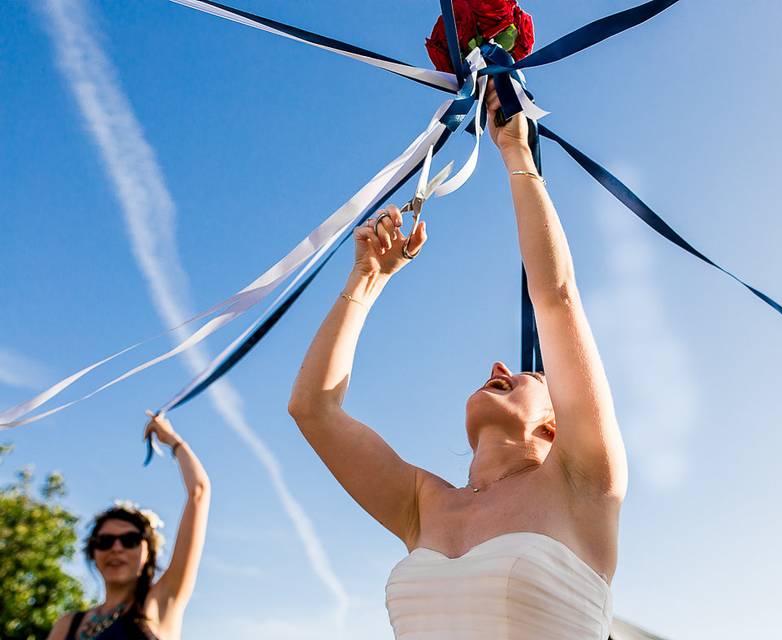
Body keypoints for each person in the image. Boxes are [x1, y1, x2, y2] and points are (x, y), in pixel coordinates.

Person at [288, 81, 628, 639]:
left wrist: (516, 152)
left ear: (557, 418)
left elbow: (556, 297)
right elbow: (312, 409)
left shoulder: (584, 480)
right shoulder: (422, 503)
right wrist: (366, 279)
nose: (501, 367)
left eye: (529, 374)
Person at [47, 414, 210, 640]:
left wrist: (173, 440)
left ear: (148, 551)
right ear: (93, 553)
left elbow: (198, 492)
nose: (116, 548)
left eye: (129, 540)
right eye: (105, 542)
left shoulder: (162, 602)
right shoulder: (68, 625)